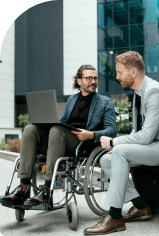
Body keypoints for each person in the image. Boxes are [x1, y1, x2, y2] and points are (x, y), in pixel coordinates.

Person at [83, 51, 159, 235]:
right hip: (157, 145)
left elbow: (146, 137)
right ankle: (141, 206)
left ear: (133, 72)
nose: (117, 76)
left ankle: (114, 217)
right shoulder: (139, 93)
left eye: (120, 72)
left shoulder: (154, 91)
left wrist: (114, 142)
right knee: (106, 160)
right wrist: (118, 146)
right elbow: (139, 132)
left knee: (119, 152)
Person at [0, 65, 117, 206]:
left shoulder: (105, 102)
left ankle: (46, 189)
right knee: (30, 129)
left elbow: (111, 131)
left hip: (82, 144)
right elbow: (62, 123)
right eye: (89, 78)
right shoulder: (71, 100)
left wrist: (91, 134)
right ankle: (23, 187)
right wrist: (47, 124)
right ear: (79, 81)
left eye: (95, 78)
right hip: (60, 139)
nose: (93, 81)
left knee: (57, 130)